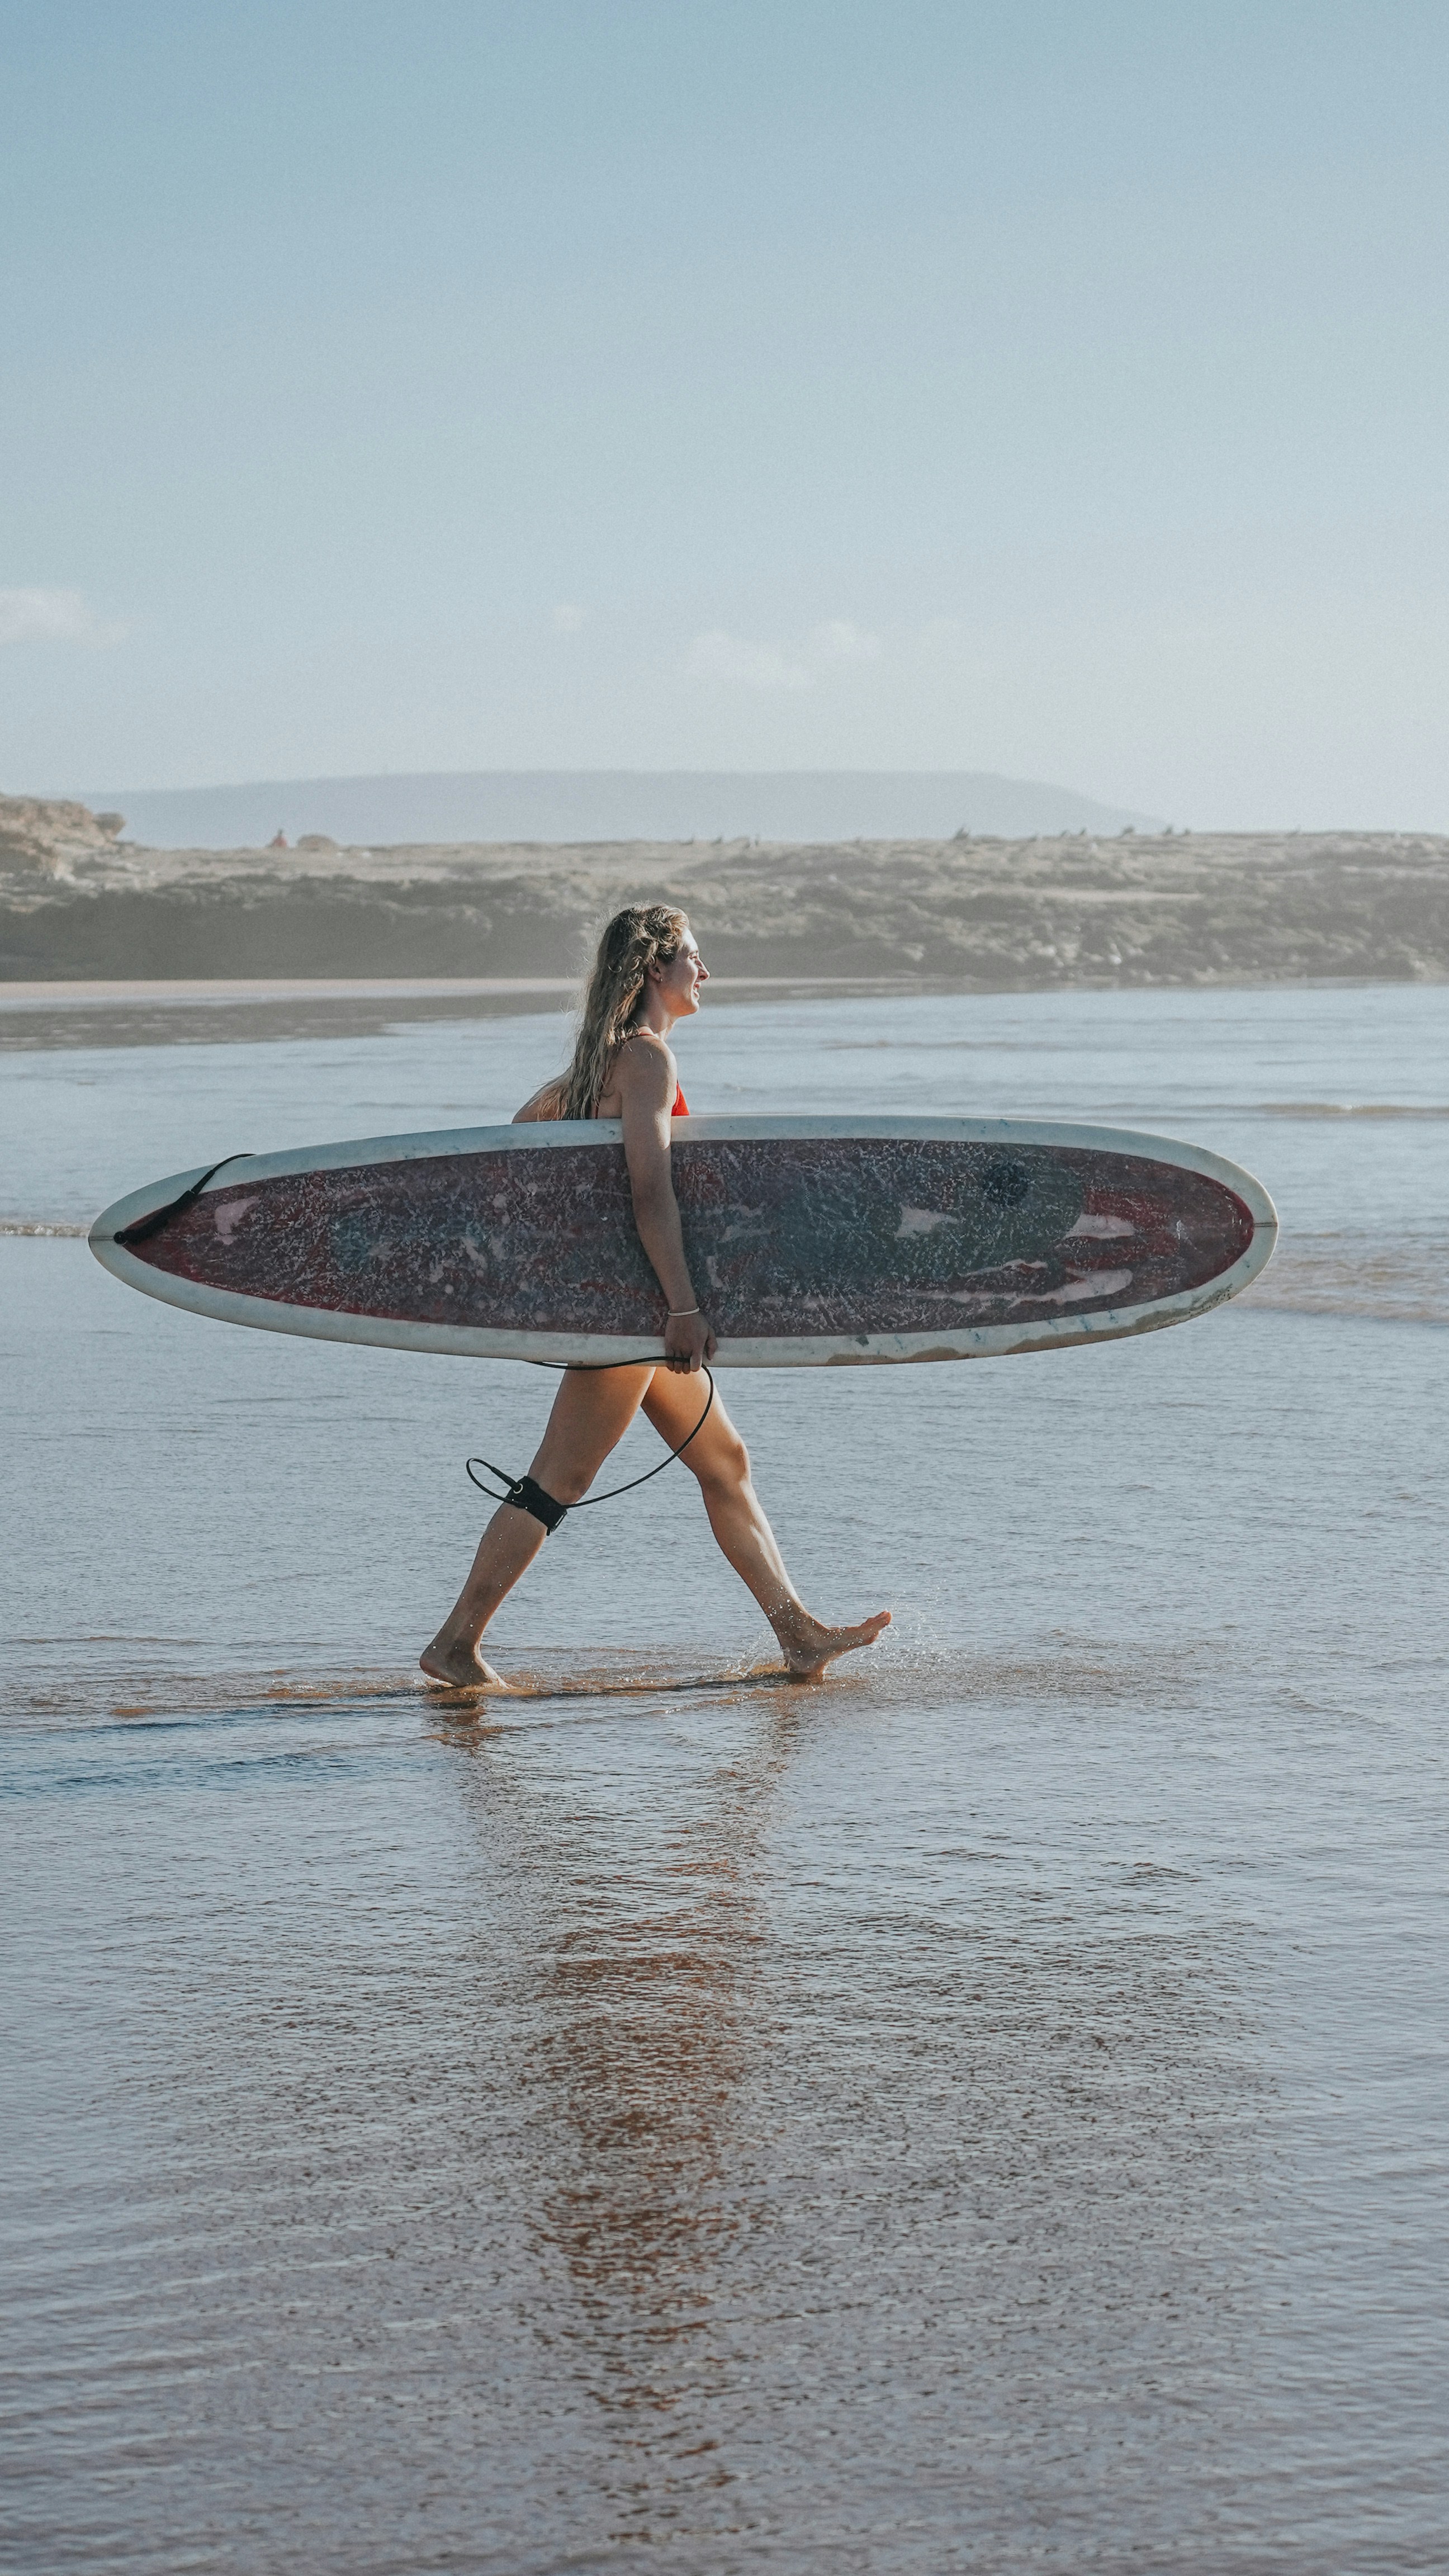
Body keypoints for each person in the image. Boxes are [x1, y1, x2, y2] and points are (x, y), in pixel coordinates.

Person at [420, 903, 891, 1690]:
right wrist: (682, 1308)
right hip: (636, 1313)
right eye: (693, 958)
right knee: (559, 1480)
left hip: (627, 1303)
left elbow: (521, 1134)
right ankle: (455, 1644)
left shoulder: (601, 1065)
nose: (705, 972)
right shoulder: (644, 1061)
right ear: (653, 969)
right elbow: (651, 1193)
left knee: (725, 1462)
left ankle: (799, 1635)